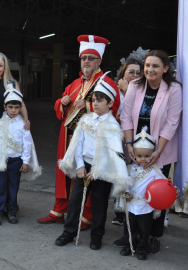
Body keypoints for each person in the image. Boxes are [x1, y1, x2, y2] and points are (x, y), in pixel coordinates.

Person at [37, 35, 121, 229]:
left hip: (93, 138)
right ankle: (59, 210)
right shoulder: (75, 83)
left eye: (91, 58)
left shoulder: (106, 82)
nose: (87, 62)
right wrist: (62, 102)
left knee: (89, 177)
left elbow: (114, 108)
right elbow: (60, 108)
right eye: (84, 58)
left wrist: (89, 105)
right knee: (66, 174)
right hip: (68, 136)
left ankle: (86, 216)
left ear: (99, 61)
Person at [55, 75, 131, 250]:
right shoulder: (86, 119)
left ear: (110, 103)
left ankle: (96, 236)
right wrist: (80, 165)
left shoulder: (113, 126)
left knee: (99, 204)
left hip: (101, 171)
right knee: (75, 201)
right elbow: (78, 145)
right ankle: (69, 232)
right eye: (94, 100)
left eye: (100, 100)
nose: (95, 104)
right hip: (85, 167)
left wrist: (97, 171)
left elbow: (111, 154)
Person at [120, 50, 183, 255]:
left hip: (159, 151)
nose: (149, 69)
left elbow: (172, 122)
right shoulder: (135, 86)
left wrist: (157, 151)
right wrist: (129, 144)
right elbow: (127, 117)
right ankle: (131, 233)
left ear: (165, 68)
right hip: (135, 150)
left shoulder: (173, 89)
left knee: (156, 193)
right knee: (132, 189)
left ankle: (154, 236)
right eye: (147, 65)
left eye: (155, 66)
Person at [0, 87, 41, 226]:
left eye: (16, 107)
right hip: (1, 161)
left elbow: (27, 144)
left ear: (21, 107)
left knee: (13, 187)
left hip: (16, 161)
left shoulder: (23, 125)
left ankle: (11, 210)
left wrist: (26, 162)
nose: (14, 110)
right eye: (10, 107)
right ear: (5, 107)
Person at [119, 127, 165, 260]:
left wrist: (171, 189)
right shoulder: (130, 169)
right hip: (131, 205)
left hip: (146, 207)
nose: (143, 159)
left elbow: (162, 186)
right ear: (134, 155)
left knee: (145, 230)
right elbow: (125, 182)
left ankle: (143, 249)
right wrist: (126, 193)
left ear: (152, 155)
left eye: (147, 156)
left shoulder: (155, 171)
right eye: (139, 156)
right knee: (129, 228)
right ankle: (129, 246)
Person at [113, 57, 143, 226]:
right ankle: (119, 212)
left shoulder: (143, 91)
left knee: (133, 175)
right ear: (123, 73)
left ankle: (133, 213)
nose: (135, 75)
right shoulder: (114, 90)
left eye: (138, 73)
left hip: (135, 140)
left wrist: (127, 91)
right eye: (131, 72)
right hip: (118, 139)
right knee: (119, 174)